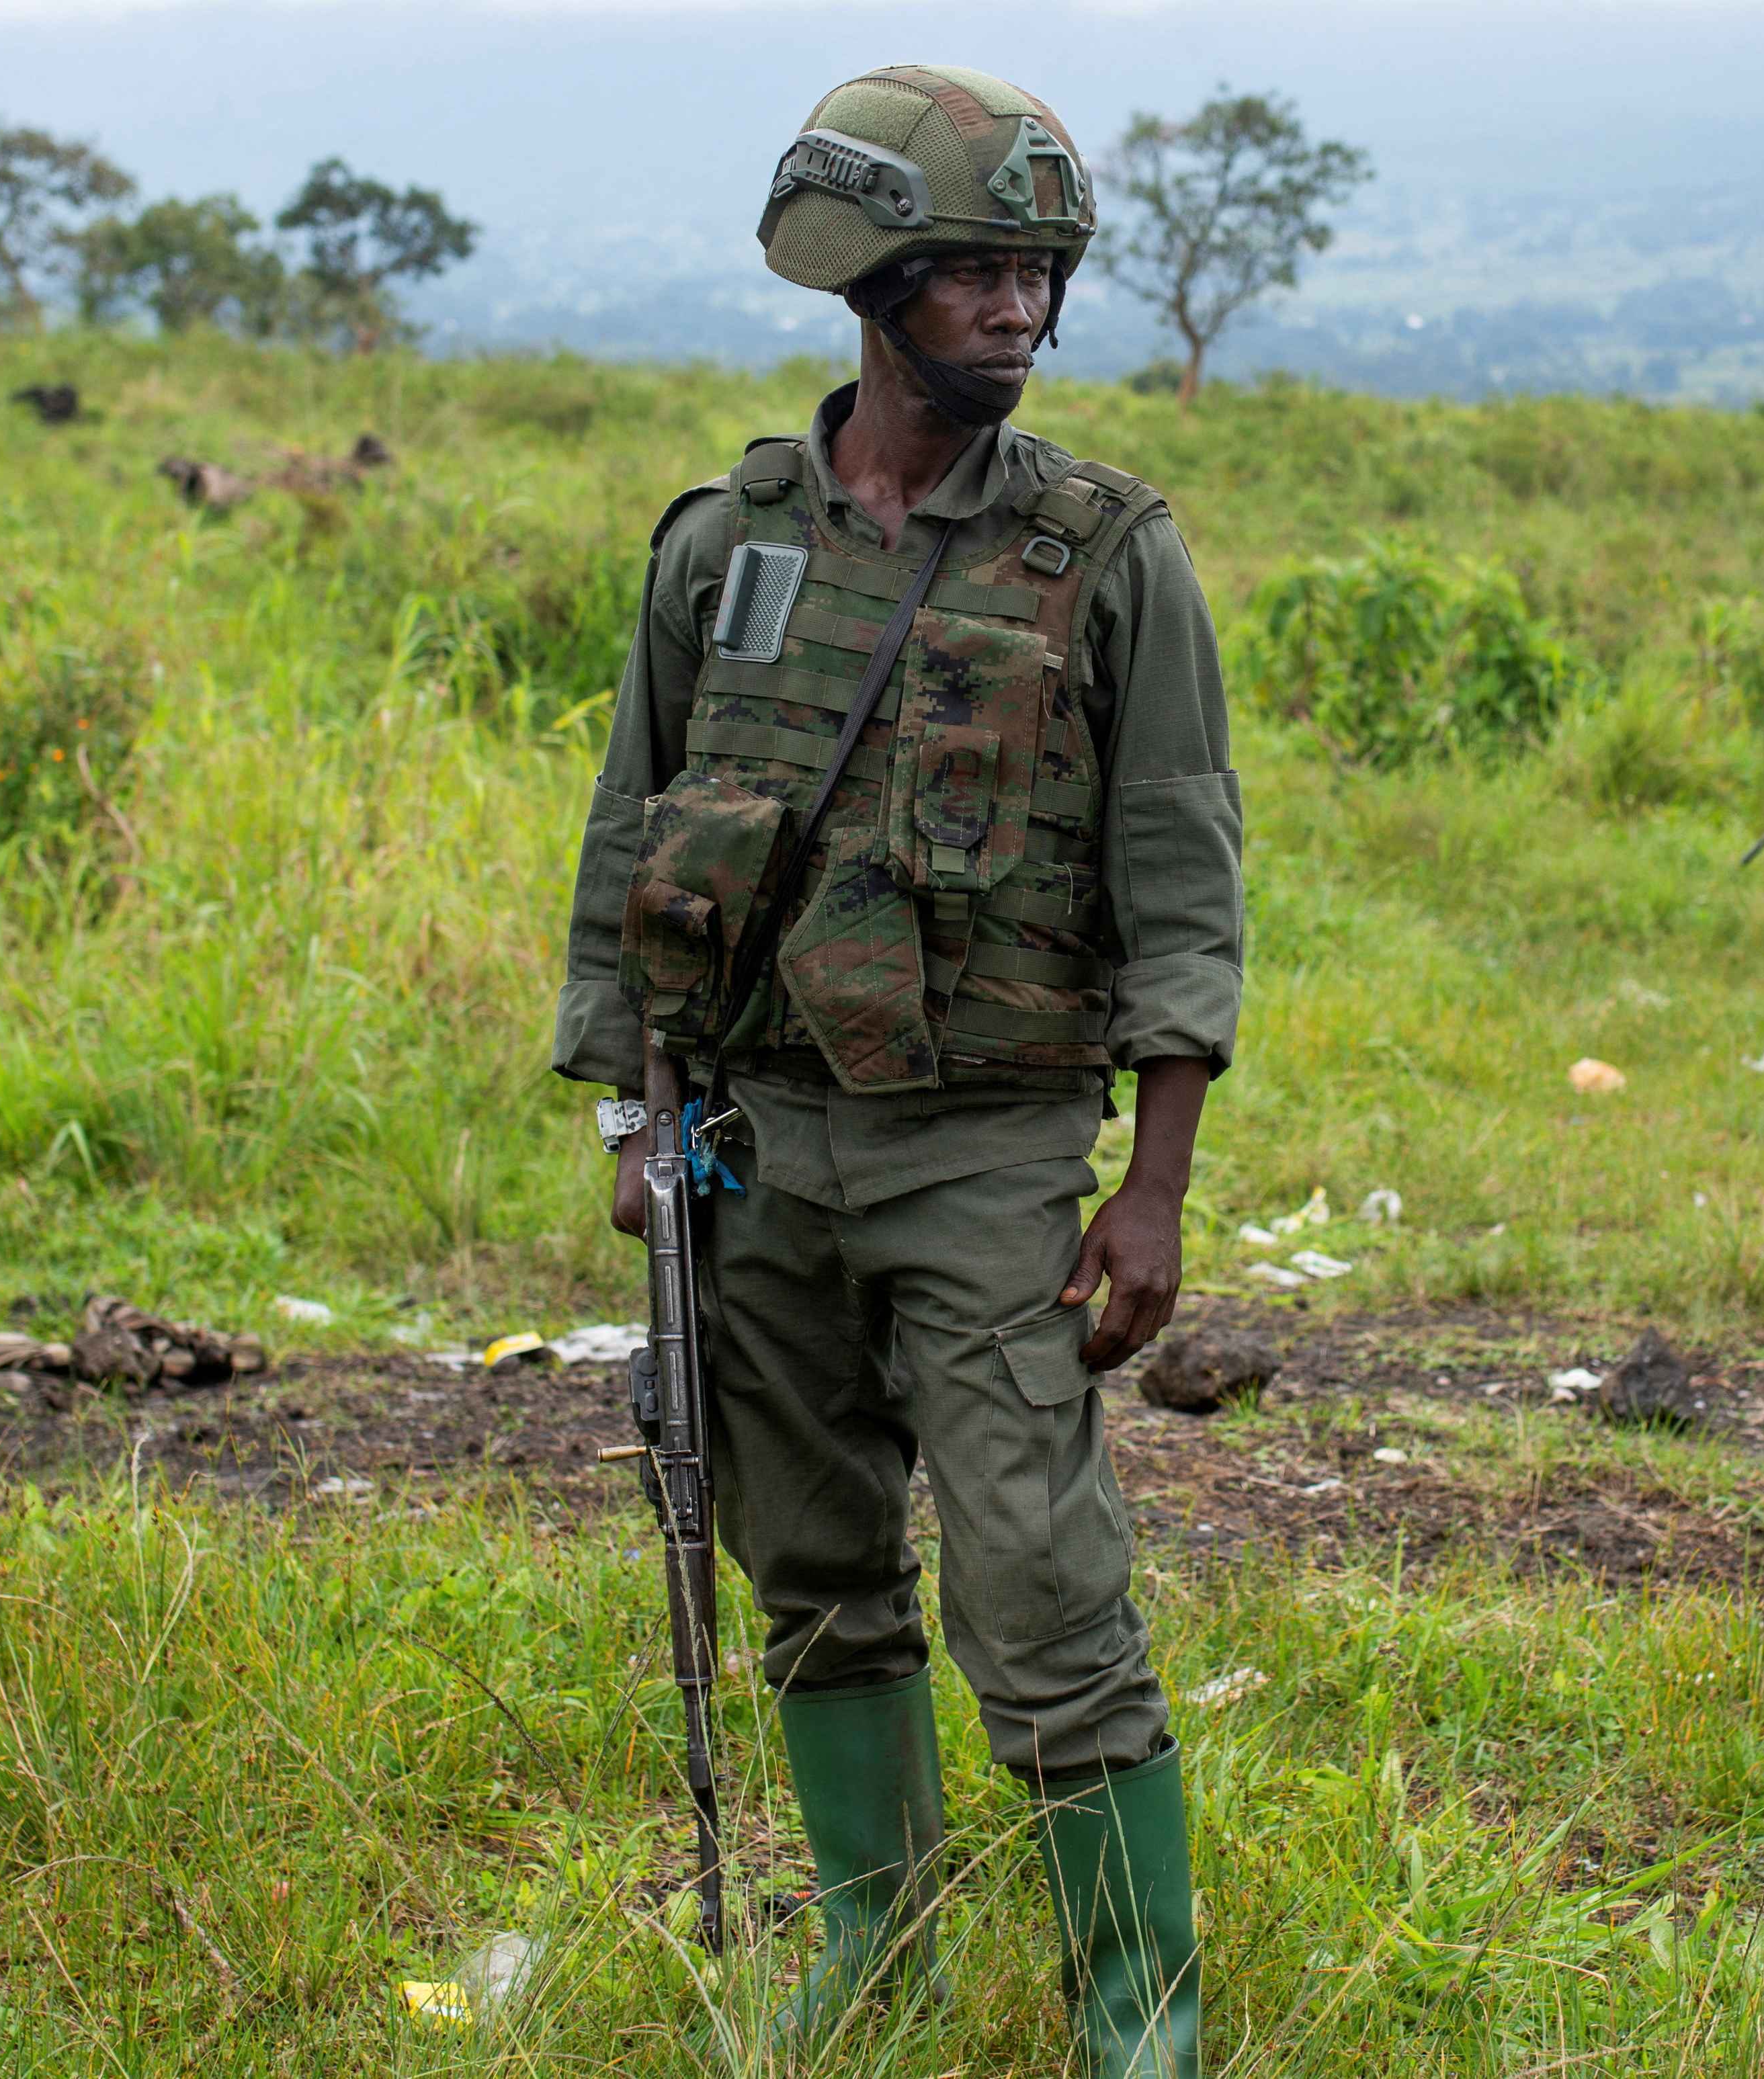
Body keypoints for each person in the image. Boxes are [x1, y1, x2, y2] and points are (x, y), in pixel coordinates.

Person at [549, 63, 1238, 2078]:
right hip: (752, 1139)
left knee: (1037, 1579)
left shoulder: (1107, 552)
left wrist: (1158, 1180)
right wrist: (632, 1116)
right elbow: (632, 831)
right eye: (974, 272)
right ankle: (880, 1959)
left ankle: (1140, 1997)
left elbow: (1181, 872)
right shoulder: (724, 547)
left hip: (992, 1144)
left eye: (1040, 273)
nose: (1017, 307)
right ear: (869, 281)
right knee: (815, 1563)